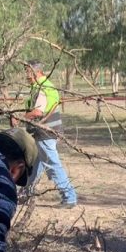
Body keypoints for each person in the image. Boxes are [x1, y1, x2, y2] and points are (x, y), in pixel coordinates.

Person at [12, 60, 77, 208]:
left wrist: (19, 118)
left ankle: (69, 197)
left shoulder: (42, 87)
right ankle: (25, 194)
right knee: (35, 165)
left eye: (28, 72)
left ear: (37, 72)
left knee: (53, 164)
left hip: (44, 132)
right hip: (42, 131)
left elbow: (38, 111)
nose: (26, 75)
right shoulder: (43, 85)